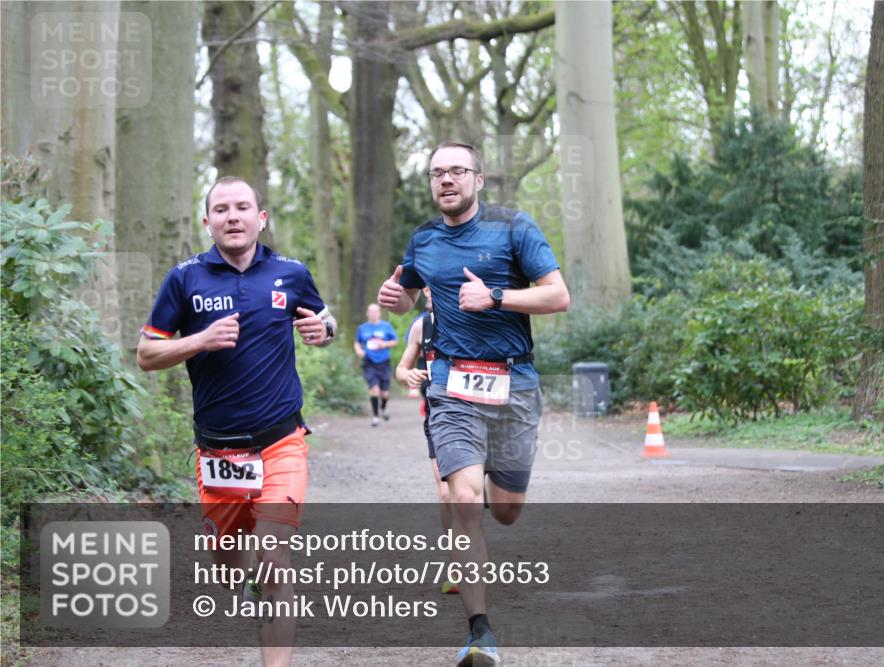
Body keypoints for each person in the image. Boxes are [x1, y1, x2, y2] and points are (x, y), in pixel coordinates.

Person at [378, 141, 570, 666]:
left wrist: (498, 297)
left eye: (457, 171)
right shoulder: (423, 238)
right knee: (463, 502)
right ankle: (480, 633)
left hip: (515, 386)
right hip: (451, 386)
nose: (446, 180)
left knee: (505, 511)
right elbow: (411, 295)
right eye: (437, 173)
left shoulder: (514, 229)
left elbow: (558, 295)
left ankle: (484, 488)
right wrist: (397, 300)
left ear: (478, 180)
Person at [137, 176, 337, 667]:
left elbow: (327, 321)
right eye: (221, 209)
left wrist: (323, 329)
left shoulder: (291, 273)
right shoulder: (185, 278)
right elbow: (146, 353)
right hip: (219, 451)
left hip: (281, 440)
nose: (232, 216)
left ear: (260, 218)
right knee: (229, 570)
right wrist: (198, 341)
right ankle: (241, 576)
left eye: (242, 207)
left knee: (274, 556)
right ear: (207, 222)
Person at [394, 288, 459, 595]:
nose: (431, 291)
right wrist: (406, 375)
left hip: (475, 413)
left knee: (475, 496)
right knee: (446, 493)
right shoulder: (422, 325)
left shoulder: (472, 318)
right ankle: (458, 564)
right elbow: (401, 367)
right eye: (426, 286)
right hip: (437, 414)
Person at [354, 303, 398, 426]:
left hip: (384, 362)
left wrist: (384, 344)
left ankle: (383, 408)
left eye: (375, 311)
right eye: (370, 311)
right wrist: (359, 351)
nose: (373, 314)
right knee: (374, 389)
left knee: (384, 393)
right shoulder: (362, 328)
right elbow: (357, 343)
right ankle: (375, 416)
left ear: (379, 313)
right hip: (369, 362)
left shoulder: (386, 326)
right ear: (367, 313)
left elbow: (395, 341)